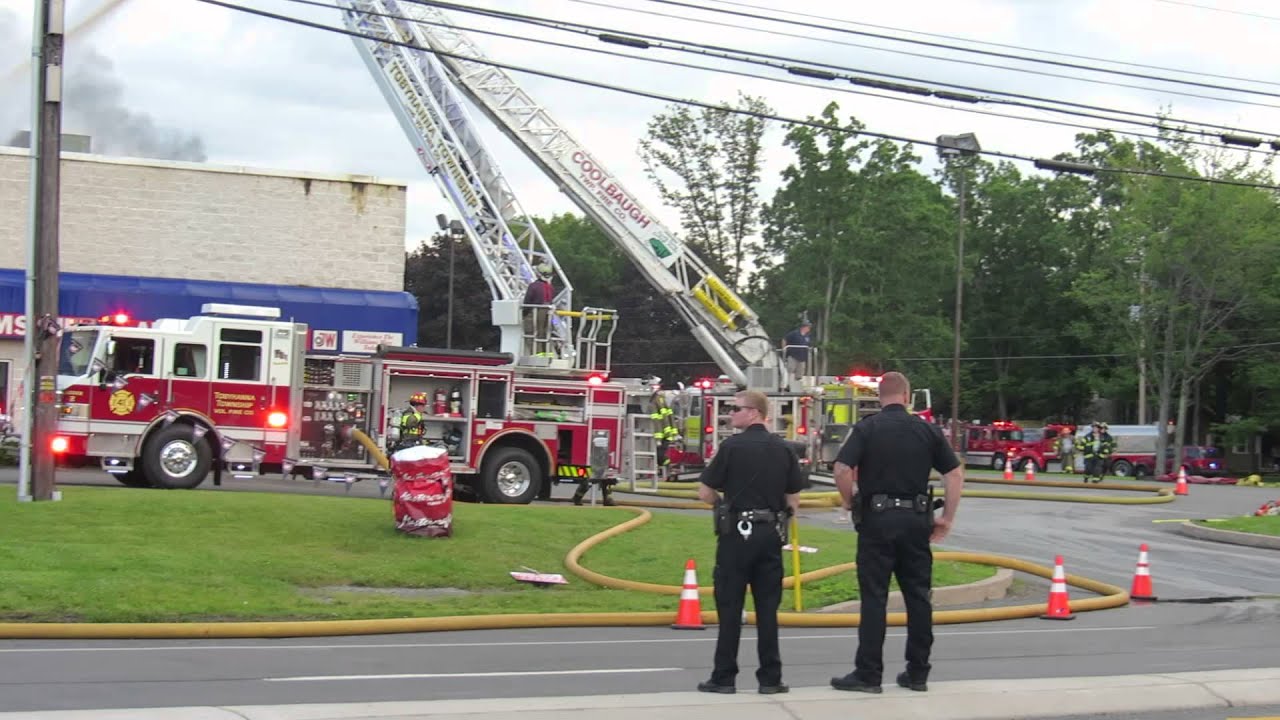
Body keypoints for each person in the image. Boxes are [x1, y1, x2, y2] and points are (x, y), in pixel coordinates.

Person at [830, 371, 964, 694]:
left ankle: (869, 674)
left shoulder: (866, 428)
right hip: (917, 521)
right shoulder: (927, 430)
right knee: (918, 597)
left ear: (880, 397)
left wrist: (850, 503)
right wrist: (946, 517)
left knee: (874, 598)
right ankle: (917, 673)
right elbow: (955, 473)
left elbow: (841, 469)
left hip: (877, 522)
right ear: (907, 396)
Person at [696, 390, 805, 696]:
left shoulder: (731, 446)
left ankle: (724, 677)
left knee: (730, 607)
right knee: (768, 609)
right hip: (770, 534)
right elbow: (793, 499)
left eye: (736, 409)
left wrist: (721, 506)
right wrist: (781, 520)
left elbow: (704, 491)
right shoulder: (784, 449)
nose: (731, 414)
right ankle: (770, 678)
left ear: (754, 412)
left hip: (736, 533)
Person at [523, 264, 554, 356]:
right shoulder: (550, 287)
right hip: (548, 312)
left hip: (535, 312)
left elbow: (527, 302)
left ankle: (537, 357)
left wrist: (524, 313)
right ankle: (547, 356)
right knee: (545, 334)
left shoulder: (534, 286)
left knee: (531, 334)